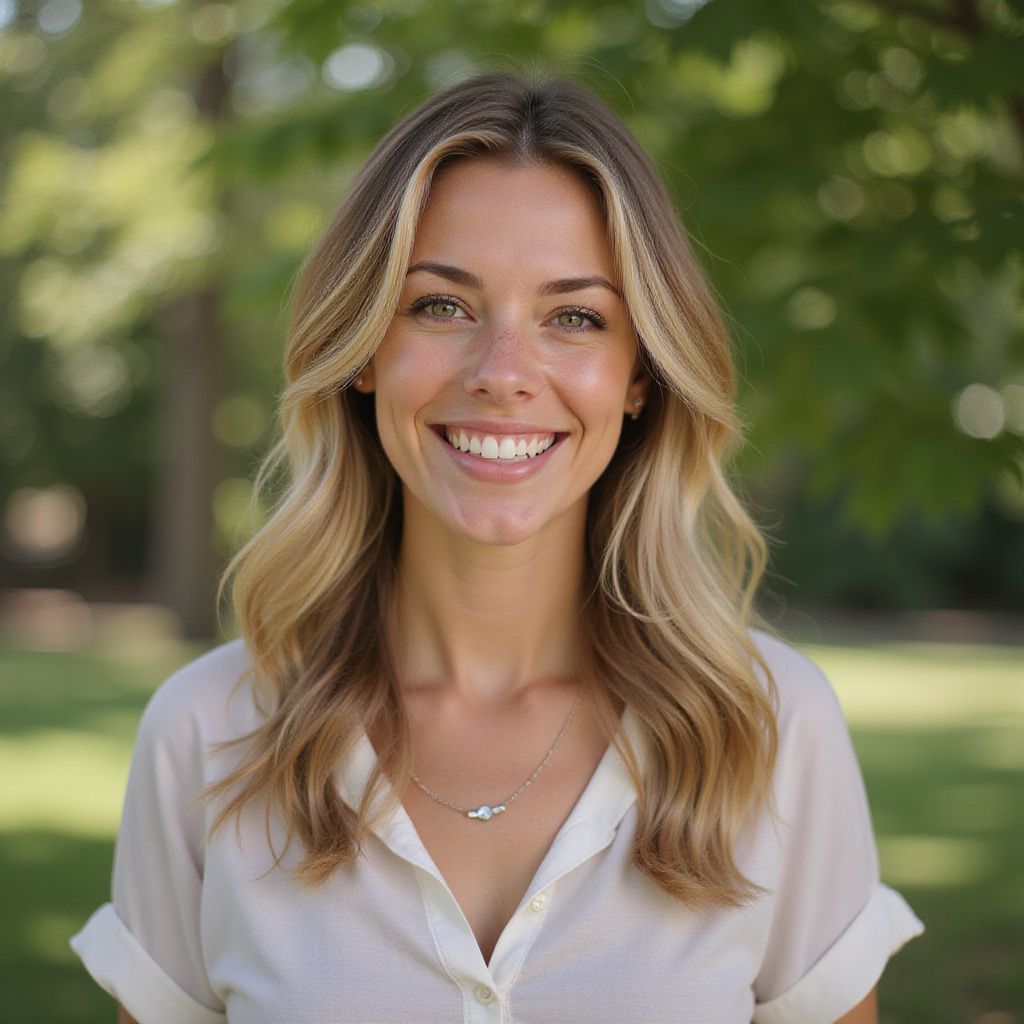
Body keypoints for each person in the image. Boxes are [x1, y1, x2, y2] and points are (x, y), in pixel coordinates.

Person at [70, 69, 924, 1023]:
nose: (503, 375)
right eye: (441, 305)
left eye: (574, 317)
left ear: (640, 375)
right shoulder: (209, 735)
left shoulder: (768, 731)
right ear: (361, 353)